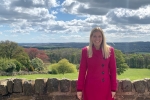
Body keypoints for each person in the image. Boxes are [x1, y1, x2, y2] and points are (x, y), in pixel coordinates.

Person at [76, 27, 117, 100]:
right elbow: (82, 71)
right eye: (94, 36)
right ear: (91, 37)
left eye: (99, 36)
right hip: (90, 87)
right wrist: (79, 89)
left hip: (106, 87)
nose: (97, 39)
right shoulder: (86, 51)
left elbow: (113, 70)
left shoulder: (109, 50)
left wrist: (113, 88)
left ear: (103, 38)